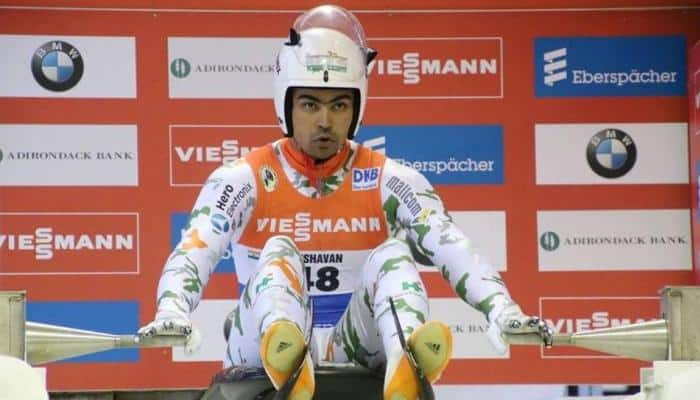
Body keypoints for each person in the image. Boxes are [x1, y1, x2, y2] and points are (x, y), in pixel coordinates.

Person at [139, 5, 552, 400]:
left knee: (394, 254)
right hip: (257, 358)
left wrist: (504, 310)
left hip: (350, 349)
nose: (324, 121)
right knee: (278, 254)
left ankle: (404, 360)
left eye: (339, 104)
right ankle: (289, 359)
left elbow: (451, 245)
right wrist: (172, 309)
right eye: (310, 104)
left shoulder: (392, 179)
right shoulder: (241, 179)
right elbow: (194, 251)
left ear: (357, 108)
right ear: (285, 104)